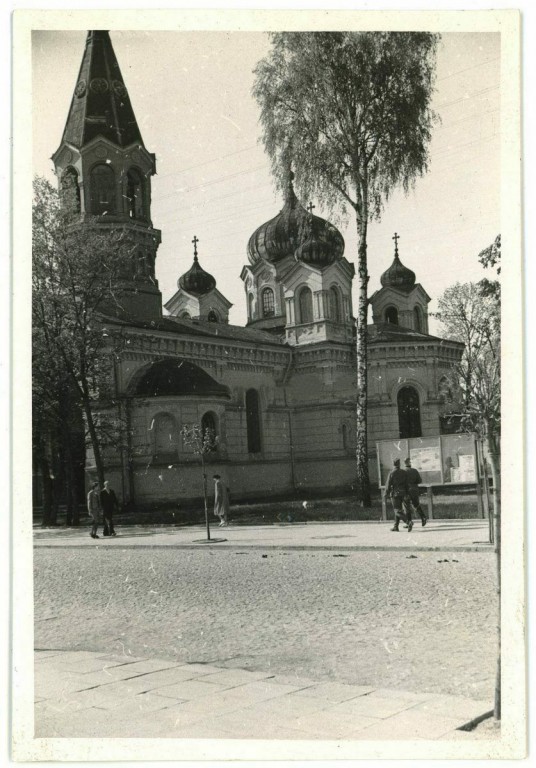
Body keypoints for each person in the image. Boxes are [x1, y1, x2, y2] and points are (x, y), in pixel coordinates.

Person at [385, 458, 412, 532]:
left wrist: (386, 494)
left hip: (395, 494)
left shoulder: (391, 473)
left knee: (397, 510)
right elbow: (407, 484)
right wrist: (407, 493)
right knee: (399, 510)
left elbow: (388, 485)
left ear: (393, 464)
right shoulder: (404, 472)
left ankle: (408, 522)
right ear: (399, 464)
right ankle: (396, 526)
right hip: (403, 493)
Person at [403, 457, 427, 527]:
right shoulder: (415, 470)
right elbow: (419, 480)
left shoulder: (403, 471)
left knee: (406, 506)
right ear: (410, 463)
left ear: (404, 463)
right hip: (415, 490)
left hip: (407, 490)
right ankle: (423, 517)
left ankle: (409, 522)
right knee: (416, 505)